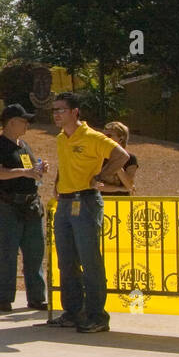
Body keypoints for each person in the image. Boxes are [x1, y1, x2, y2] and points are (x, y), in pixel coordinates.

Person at [49, 93, 129, 333]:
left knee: (89, 260)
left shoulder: (93, 137)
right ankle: (73, 311)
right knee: (66, 261)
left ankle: (97, 315)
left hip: (85, 201)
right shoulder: (61, 138)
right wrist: (57, 184)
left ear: (75, 112)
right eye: (54, 110)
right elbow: (64, 166)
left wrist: (101, 177)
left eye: (61, 110)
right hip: (64, 203)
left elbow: (121, 156)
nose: (56, 114)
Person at [0, 104, 49, 312]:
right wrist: (24, 172)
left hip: (31, 203)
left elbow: (31, 171)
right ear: (11, 122)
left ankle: (37, 297)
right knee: (8, 251)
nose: (27, 125)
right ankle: (4, 298)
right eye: (23, 121)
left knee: (35, 251)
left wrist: (38, 170)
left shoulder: (24, 145)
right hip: (7, 204)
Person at [96, 121, 138, 195]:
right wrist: (120, 188)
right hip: (101, 201)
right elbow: (96, 185)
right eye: (103, 136)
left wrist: (117, 162)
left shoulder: (131, 158)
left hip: (122, 202)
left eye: (109, 136)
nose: (104, 139)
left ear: (121, 139)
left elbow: (129, 186)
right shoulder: (98, 157)